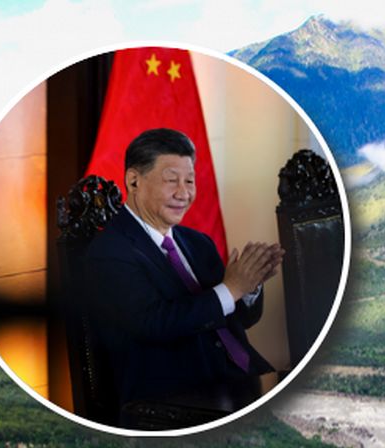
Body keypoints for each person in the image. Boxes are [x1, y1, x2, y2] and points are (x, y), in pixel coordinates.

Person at [85, 128, 284, 428]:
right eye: (171, 181)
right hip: (171, 397)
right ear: (133, 181)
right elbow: (153, 323)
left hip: (240, 378)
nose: (184, 193)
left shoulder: (198, 242)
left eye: (189, 181)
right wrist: (231, 289)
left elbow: (238, 318)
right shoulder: (109, 251)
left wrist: (249, 286)